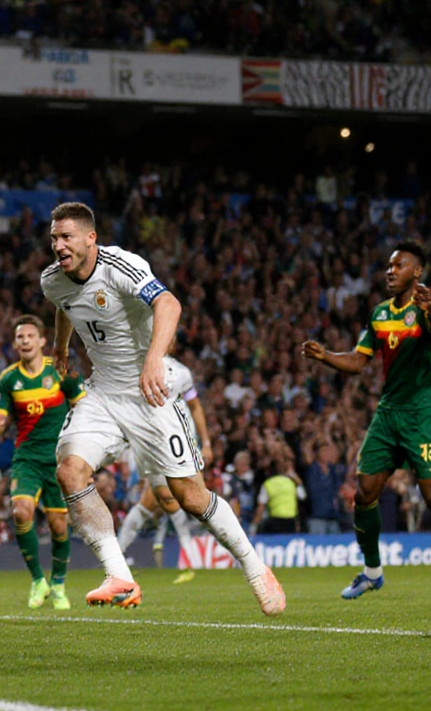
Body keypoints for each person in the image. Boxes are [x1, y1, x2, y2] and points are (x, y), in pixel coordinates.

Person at [42, 202, 285, 615]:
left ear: (90, 238)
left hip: (150, 394)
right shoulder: (52, 280)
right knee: (68, 470)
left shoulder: (121, 266)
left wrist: (154, 359)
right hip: (102, 394)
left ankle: (255, 566)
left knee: (189, 496)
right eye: (53, 238)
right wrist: (61, 346)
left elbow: (169, 304)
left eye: (66, 237)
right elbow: (66, 306)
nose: (58, 245)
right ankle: (119, 575)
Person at [303, 240, 431, 601]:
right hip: (389, 413)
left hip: (425, 413)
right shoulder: (380, 314)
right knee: (364, 491)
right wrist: (325, 356)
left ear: (416, 272)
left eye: (398, 265)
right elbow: (358, 361)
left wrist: (429, 308)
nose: (390, 271)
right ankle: (372, 573)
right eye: (389, 266)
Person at [0, 314, 85, 610]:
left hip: (58, 460)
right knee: (20, 511)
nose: (25, 341)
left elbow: (83, 409)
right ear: (15, 344)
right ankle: (38, 580)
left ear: (42, 341)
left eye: (30, 336)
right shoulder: (8, 379)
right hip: (27, 457)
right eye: (20, 337)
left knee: (58, 527)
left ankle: (58, 584)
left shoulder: (61, 371)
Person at [116, 346, 213, 568]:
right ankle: (190, 554)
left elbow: (195, 406)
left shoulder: (181, 372)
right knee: (164, 495)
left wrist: (206, 442)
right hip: (152, 443)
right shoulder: (133, 369)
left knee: (162, 499)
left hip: (183, 441)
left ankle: (118, 554)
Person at [253, 464, 305, 534]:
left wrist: (254, 525)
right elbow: (302, 496)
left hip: (275, 521)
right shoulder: (292, 483)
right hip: (290, 521)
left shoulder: (268, 484)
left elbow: (261, 506)